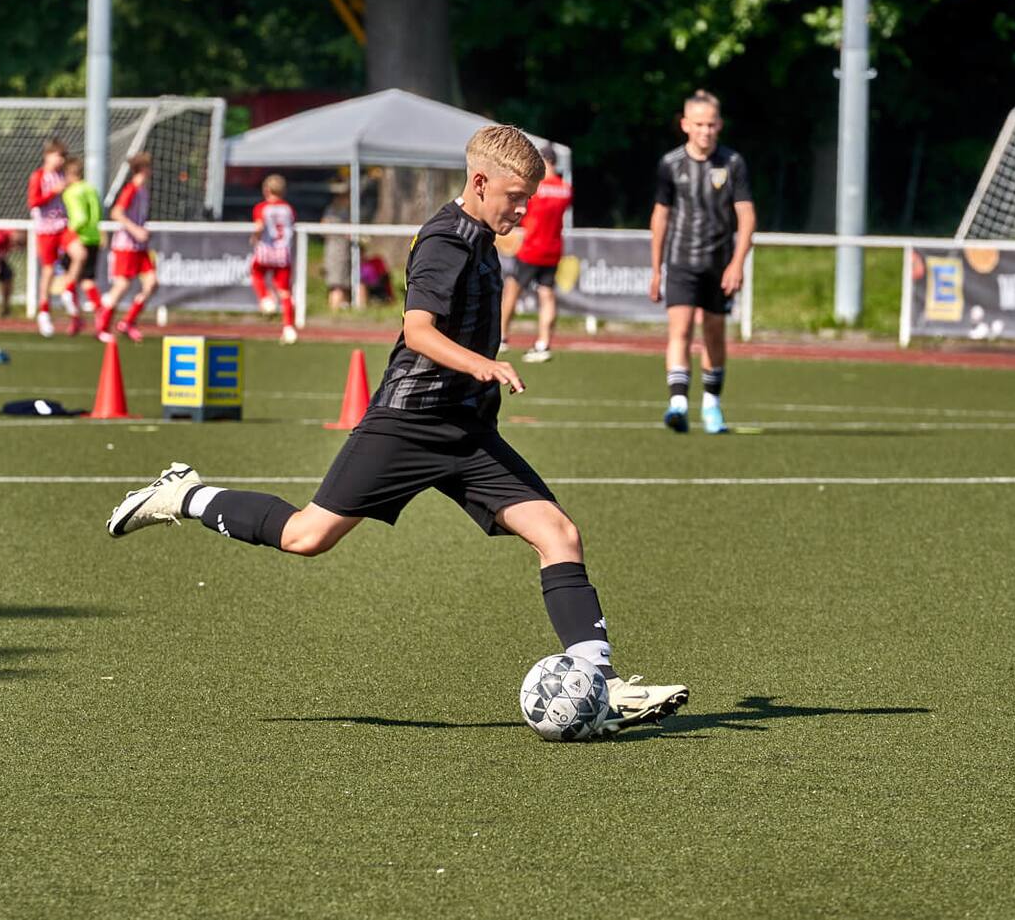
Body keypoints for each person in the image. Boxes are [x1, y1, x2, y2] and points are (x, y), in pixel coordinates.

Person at [103, 125, 689, 732]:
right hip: (408, 423)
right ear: (479, 182)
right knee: (307, 536)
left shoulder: (485, 239)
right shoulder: (444, 241)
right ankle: (183, 494)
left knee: (559, 535)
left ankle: (602, 685)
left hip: (467, 432)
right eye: (515, 196)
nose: (523, 209)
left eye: (529, 199)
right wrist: (482, 364)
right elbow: (418, 331)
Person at [649, 90, 754, 435]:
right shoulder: (670, 163)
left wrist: (737, 263)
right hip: (681, 261)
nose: (705, 131)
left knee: (714, 333)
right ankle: (678, 404)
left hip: (719, 264)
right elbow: (661, 216)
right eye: (699, 124)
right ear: (685, 125)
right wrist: (656, 268)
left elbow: (747, 215)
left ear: (719, 125)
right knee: (680, 330)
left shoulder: (733, 163)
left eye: (710, 124)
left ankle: (711, 405)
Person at [498, 144, 570, 363]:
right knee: (547, 294)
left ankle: (501, 337)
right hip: (553, 248)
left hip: (531, 247)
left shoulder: (536, 187)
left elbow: (522, 211)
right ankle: (543, 343)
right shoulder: (566, 189)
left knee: (512, 289)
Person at [96, 152, 157, 343]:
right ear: (143, 169)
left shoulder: (143, 191)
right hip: (126, 247)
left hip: (140, 248)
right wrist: (136, 230)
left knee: (152, 283)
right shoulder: (130, 189)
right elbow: (116, 213)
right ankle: (102, 327)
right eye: (149, 167)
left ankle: (127, 322)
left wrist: (142, 232)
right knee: (121, 285)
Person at [28, 139, 70, 337]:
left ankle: (68, 290)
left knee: (79, 253)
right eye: (58, 156)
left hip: (63, 226)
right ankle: (44, 313)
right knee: (48, 271)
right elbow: (33, 202)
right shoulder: (38, 176)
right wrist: (53, 192)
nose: (61, 160)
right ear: (47, 155)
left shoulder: (62, 175)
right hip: (46, 230)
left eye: (63, 157)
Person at [57, 156, 104, 335]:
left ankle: (76, 318)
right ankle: (100, 316)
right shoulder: (90, 189)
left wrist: (69, 230)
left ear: (69, 175)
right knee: (87, 280)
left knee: (68, 281)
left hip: (78, 238)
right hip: (93, 237)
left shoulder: (71, 192)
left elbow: (80, 218)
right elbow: (97, 213)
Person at [250, 173, 298, 344]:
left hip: (266, 250)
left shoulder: (262, 207)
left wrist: (254, 238)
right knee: (285, 291)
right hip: (283, 253)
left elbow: (259, 226)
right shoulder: (289, 208)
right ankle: (289, 327)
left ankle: (265, 298)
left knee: (256, 272)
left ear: (266, 190)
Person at [320, 190, 351, 311]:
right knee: (337, 285)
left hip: (334, 250)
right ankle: (334, 310)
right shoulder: (337, 212)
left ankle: (339, 308)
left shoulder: (332, 211)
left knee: (339, 284)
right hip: (338, 251)